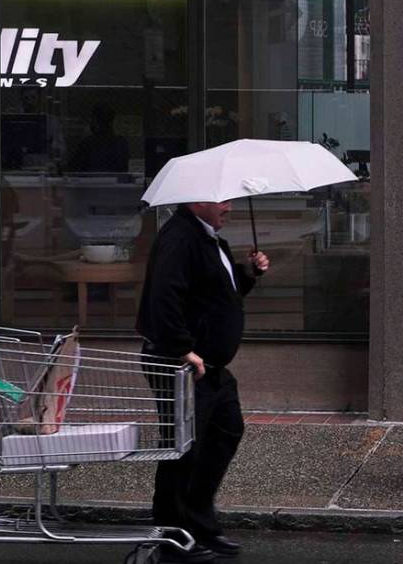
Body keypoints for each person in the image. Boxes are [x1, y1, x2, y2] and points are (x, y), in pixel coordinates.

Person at [136, 201, 269, 563]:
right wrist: (182, 348)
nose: (230, 207)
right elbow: (164, 297)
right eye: (222, 199)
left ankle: (199, 525)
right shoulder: (180, 238)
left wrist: (248, 274)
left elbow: (216, 294)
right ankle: (172, 539)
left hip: (210, 367)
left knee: (226, 430)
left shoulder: (209, 239)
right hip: (183, 364)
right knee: (183, 449)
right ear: (198, 200)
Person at [67, 103, 130, 173]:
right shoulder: (121, 143)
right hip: (116, 182)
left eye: (91, 120)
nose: (90, 123)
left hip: (91, 182)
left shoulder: (88, 143)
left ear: (95, 121)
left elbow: (72, 168)